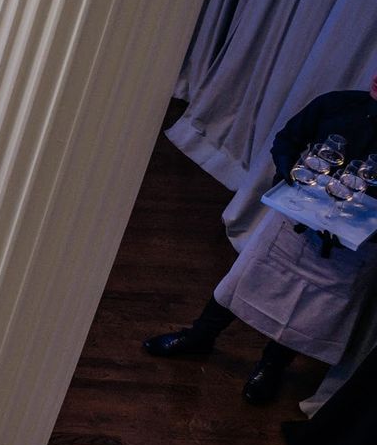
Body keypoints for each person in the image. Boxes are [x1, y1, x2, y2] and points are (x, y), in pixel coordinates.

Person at [144, 73, 377, 405]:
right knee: (242, 280)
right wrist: (292, 182)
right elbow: (287, 140)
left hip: (350, 248)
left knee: (308, 309)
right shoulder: (337, 104)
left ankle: (272, 365)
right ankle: (199, 336)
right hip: (295, 222)